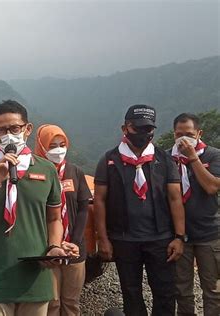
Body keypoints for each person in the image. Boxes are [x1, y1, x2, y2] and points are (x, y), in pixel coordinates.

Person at [0, 100, 79, 316]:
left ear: (27, 129)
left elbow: (54, 219)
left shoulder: (46, 170)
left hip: (34, 279)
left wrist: (53, 246)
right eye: (2, 130)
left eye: (15, 128)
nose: (9, 135)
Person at [94, 104, 185, 316]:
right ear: (125, 128)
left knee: (164, 291)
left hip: (160, 238)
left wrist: (180, 237)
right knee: (131, 292)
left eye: (149, 129)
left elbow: (175, 198)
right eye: (139, 129)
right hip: (124, 239)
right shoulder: (109, 160)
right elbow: (99, 200)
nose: (145, 134)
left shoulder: (163, 160)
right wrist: (104, 239)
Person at [34, 124, 92, 316]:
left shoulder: (75, 172)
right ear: (42, 146)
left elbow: (84, 208)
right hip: (47, 249)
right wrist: (53, 245)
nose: (58, 150)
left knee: (71, 302)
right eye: (52, 146)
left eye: (61, 144)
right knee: (52, 302)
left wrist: (74, 242)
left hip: (75, 250)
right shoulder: (35, 174)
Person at [169, 113, 220, 316]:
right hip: (179, 235)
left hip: (209, 233)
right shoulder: (166, 158)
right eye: (179, 134)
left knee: (213, 290)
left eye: (189, 134)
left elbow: (211, 187)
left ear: (199, 133)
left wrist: (192, 158)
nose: (183, 139)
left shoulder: (213, 155)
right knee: (182, 290)